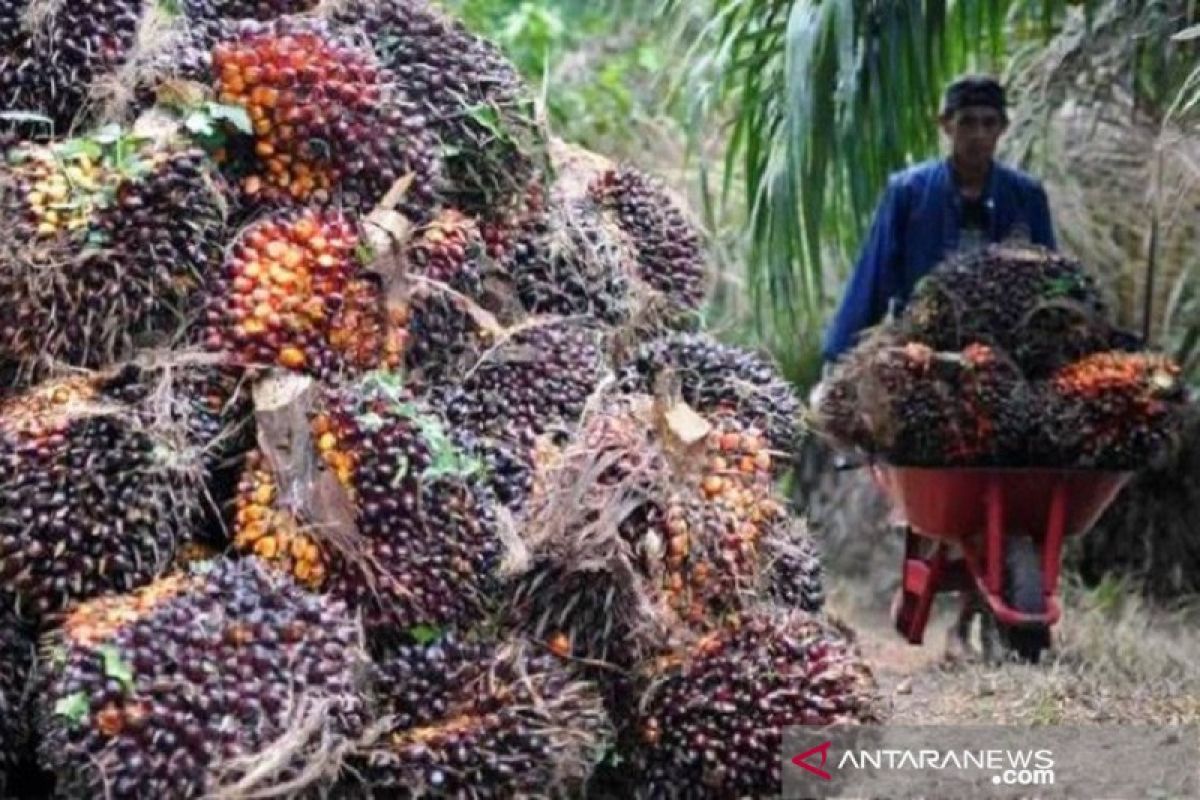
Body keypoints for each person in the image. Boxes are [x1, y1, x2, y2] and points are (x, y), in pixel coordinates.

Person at [820, 74, 1057, 364]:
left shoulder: (1026, 196)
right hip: (921, 349)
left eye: (989, 123)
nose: (978, 134)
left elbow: (1051, 283)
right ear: (946, 125)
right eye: (967, 122)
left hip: (1002, 354)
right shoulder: (908, 192)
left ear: (1003, 128)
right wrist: (837, 358)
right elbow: (872, 279)